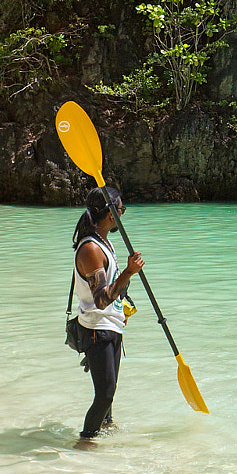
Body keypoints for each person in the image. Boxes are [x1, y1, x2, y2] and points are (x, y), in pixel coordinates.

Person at [72, 186, 143, 445]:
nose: (123, 213)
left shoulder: (105, 243)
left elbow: (110, 294)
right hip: (95, 327)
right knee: (104, 394)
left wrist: (123, 307)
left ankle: (107, 433)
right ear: (111, 214)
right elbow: (101, 299)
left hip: (110, 324)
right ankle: (86, 441)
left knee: (109, 394)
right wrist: (129, 271)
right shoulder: (90, 249)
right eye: (121, 208)